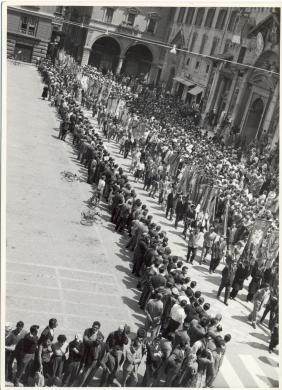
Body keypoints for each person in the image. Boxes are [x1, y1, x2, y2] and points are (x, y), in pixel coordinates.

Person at [78, 321, 105, 387]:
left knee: (89, 373)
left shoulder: (101, 335)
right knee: (81, 368)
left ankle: (83, 384)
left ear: (98, 328)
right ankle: (78, 379)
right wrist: (93, 342)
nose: (94, 328)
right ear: (92, 326)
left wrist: (90, 341)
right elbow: (85, 341)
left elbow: (95, 343)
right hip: (85, 353)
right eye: (93, 327)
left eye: (96, 328)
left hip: (93, 358)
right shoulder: (87, 331)